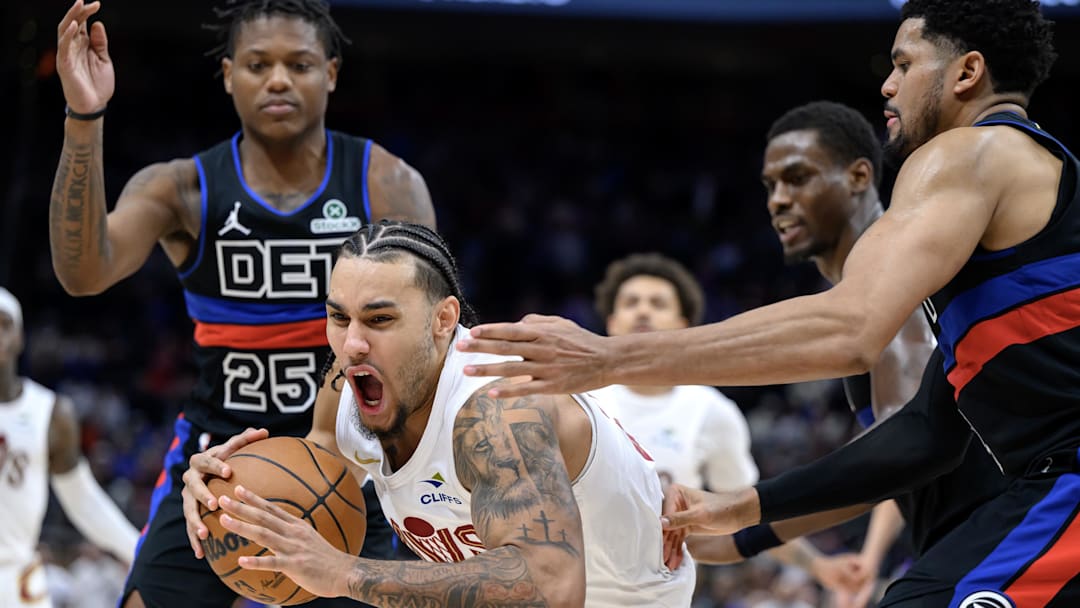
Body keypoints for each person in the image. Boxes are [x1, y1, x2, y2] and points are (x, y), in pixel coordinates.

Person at [458, 1, 1077, 605]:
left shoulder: (968, 151)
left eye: (903, 63)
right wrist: (747, 510)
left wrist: (607, 357)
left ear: (966, 73)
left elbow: (850, 328)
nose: (887, 85)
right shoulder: (1007, 230)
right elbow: (925, 436)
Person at [50, 1, 435, 606]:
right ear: (229, 75)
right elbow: (82, 273)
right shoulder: (180, 188)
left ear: (330, 73)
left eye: (299, 64)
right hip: (222, 454)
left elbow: (434, 336)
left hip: (355, 457)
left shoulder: (386, 183)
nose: (278, 79)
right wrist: (84, 117)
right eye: (258, 64)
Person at [181, 220, 696, 606]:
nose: (352, 343)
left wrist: (344, 574)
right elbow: (313, 479)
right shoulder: (347, 384)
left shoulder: (499, 407)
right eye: (339, 317)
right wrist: (225, 490)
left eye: (380, 318)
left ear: (443, 320)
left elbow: (550, 585)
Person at [689, 101, 1011, 608]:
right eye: (770, 186)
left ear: (859, 175)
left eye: (797, 178)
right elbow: (887, 467)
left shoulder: (903, 281)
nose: (778, 200)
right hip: (960, 542)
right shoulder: (881, 283)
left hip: (1007, 539)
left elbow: (912, 451)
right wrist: (742, 536)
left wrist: (620, 357)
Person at [591, 252, 864, 594]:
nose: (643, 311)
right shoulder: (579, 400)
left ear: (683, 326)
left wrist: (817, 564)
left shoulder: (710, 410)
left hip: (655, 596)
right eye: (631, 302)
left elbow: (745, 515)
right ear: (612, 321)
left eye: (658, 303)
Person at [0, 287, 140, 607]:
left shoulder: (49, 412)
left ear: (20, 337)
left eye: (3, 324)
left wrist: (138, 549)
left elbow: (84, 501)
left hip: (17, 581)